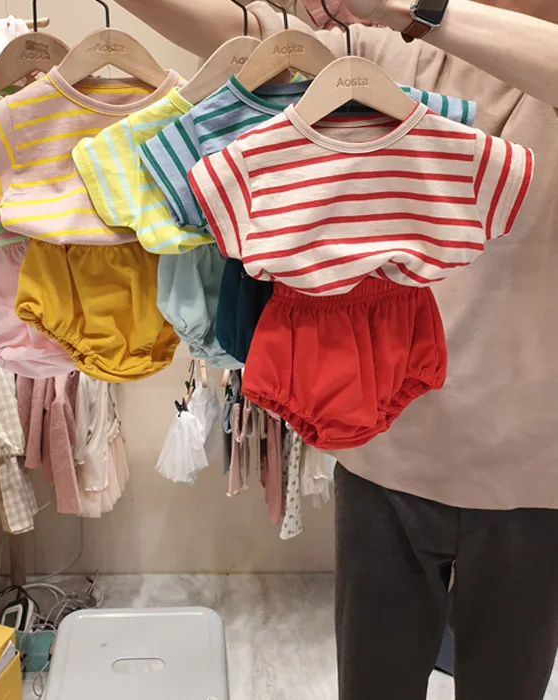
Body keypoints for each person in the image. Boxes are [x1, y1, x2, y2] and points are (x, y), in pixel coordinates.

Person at [114, 1, 558, 698]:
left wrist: (420, 8)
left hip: (536, 480)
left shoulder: (430, 33)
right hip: (384, 453)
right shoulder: (387, 52)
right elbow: (248, 34)